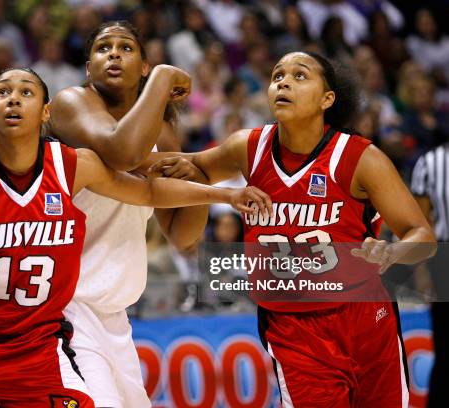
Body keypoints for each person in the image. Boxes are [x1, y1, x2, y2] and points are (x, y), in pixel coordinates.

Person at [0, 67, 269, 407]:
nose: (13, 98)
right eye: (3, 92)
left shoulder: (73, 166)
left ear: (46, 111)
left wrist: (225, 193)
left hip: (31, 348)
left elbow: (147, 191)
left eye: (26, 92)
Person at [151, 51, 436, 407]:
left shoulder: (360, 158)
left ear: (327, 99)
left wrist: (393, 251)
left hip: (366, 320)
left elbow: (423, 236)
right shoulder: (248, 147)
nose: (282, 82)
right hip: (292, 328)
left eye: (300, 76)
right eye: (276, 76)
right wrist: (154, 110)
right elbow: (178, 168)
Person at [48, 21, 210, 407]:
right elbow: (123, 152)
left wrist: (200, 178)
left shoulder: (162, 134)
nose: (114, 54)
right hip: (63, 304)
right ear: (89, 69)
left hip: (114, 314)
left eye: (125, 47)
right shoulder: (72, 102)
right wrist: (164, 76)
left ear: (141, 65)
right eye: (104, 48)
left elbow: (184, 237)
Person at [410, 144, 449, 408]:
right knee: (445, 351)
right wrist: (422, 273)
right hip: (444, 260)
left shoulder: (430, 161)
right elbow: (420, 225)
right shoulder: (429, 162)